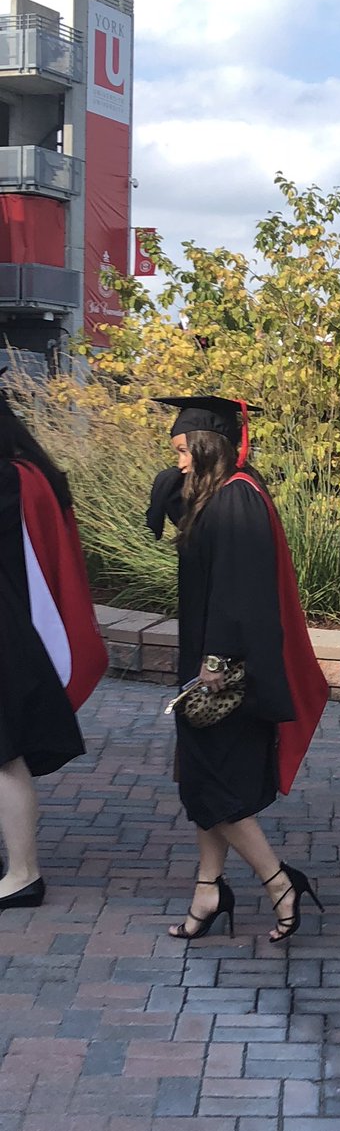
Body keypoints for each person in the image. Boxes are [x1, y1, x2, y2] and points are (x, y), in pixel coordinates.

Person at [147, 396, 329, 943]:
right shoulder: (222, 495)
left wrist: (216, 662)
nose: (178, 462)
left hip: (224, 671)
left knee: (214, 790)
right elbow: (178, 510)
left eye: (184, 451)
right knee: (201, 778)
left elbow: (242, 591)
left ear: (207, 446)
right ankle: (208, 889)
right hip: (209, 660)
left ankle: (279, 883)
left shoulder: (238, 500)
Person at [0, 379, 108, 910]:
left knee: (3, 756)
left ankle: (22, 873)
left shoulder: (10, 478)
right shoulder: (30, 470)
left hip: (7, 636)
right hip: (16, 629)